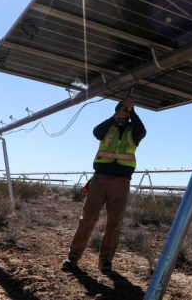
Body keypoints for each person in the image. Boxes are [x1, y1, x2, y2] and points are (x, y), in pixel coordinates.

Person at [62, 98, 146, 274]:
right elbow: (96, 131)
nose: (124, 113)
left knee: (114, 223)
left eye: (126, 111)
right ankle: (73, 258)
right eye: (121, 110)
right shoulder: (108, 128)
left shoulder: (134, 131)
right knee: (87, 219)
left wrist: (133, 112)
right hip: (99, 179)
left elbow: (142, 130)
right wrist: (113, 117)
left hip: (121, 183)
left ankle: (106, 261)